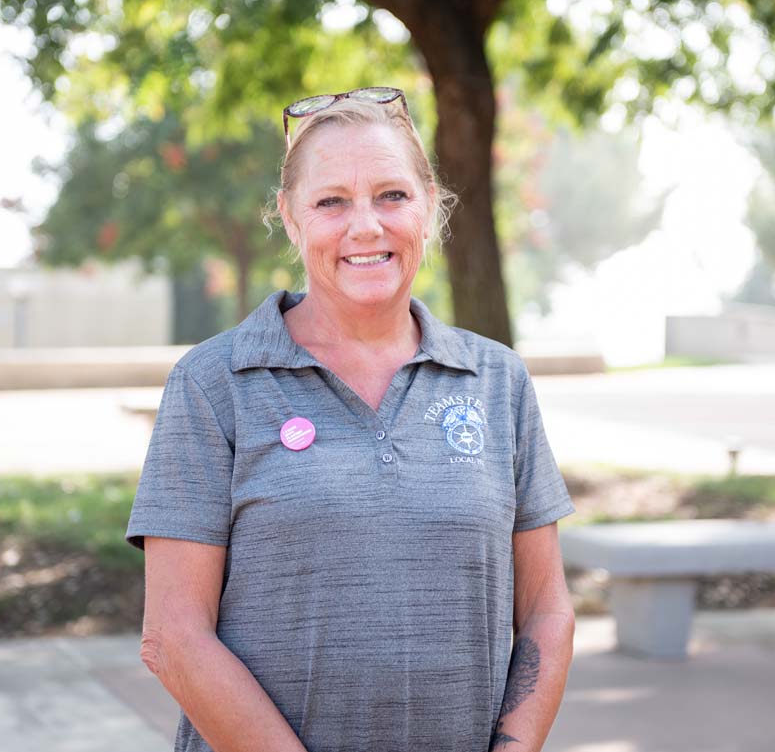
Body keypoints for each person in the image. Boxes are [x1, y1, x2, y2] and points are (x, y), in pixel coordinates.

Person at [126, 86, 577, 752]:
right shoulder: (213, 382)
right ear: (289, 215)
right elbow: (172, 636)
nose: (365, 225)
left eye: (391, 195)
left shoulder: (498, 381)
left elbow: (547, 608)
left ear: (428, 207)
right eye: (331, 201)